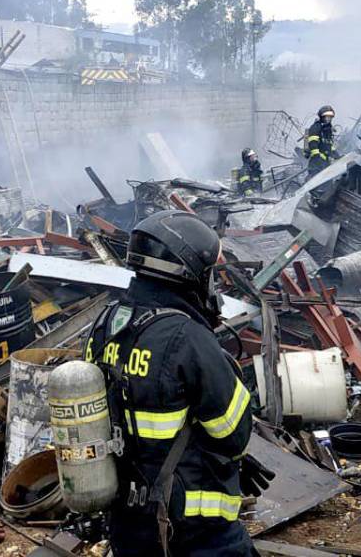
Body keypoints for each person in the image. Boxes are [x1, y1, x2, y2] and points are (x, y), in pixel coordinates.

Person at [84, 211, 269, 557]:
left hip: (127, 519)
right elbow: (233, 433)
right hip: (193, 525)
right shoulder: (187, 338)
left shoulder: (107, 323)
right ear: (189, 274)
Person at [304, 105, 335, 177]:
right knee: (316, 182)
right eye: (327, 117)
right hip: (316, 164)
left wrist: (337, 155)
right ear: (322, 117)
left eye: (330, 117)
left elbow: (329, 145)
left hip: (325, 163)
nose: (329, 119)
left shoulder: (327, 130)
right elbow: (313, 143)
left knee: (328, 182)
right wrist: (317, 157)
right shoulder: (316, 127)